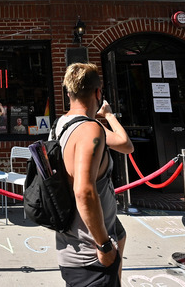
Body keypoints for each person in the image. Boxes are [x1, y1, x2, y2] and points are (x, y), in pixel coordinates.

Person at [55, 62, 133, 286]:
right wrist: (104, 246)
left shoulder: (61, 124)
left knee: (120, 231)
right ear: (98, 92)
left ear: (68, 92)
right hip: (90, 256)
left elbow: (123, 145)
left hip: (72, 241)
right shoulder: (91, 130)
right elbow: (84, 192)